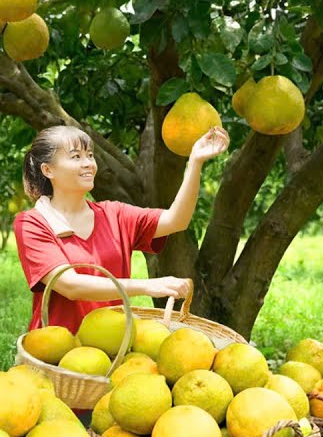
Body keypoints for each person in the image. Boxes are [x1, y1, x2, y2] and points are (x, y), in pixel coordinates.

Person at [14, 124, 230, 333]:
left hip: (113, 344)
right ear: (48, 170)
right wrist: (146, 286)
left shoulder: (114, 215)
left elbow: (176, 220)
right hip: (57, 350)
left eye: (90, 155)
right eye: (76, 157)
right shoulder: (33, 223)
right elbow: (70, 285)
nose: (88, 163)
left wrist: (195, 162)